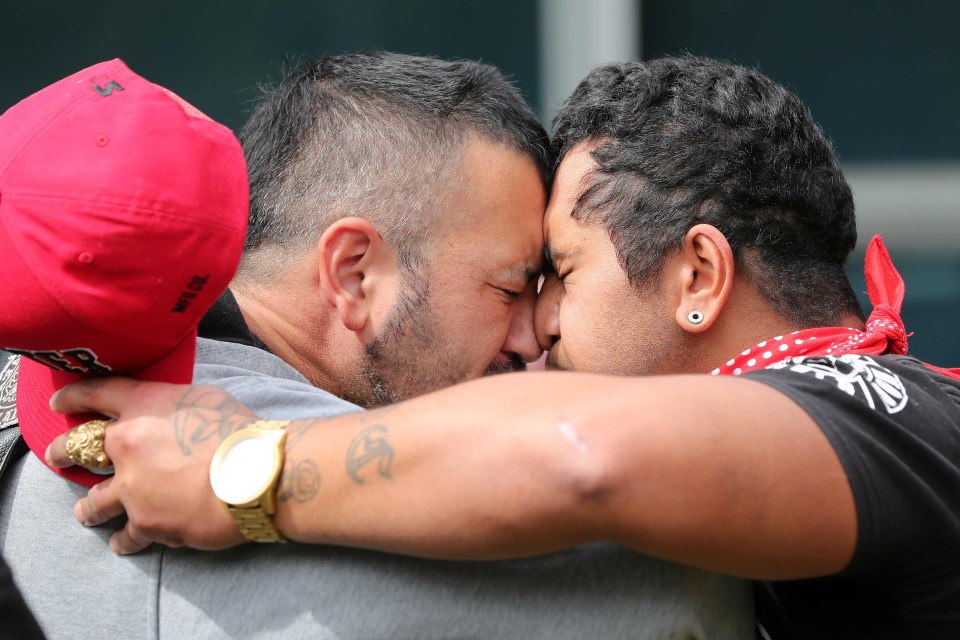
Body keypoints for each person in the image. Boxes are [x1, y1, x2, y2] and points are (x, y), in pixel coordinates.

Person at [46, 55, 960, 639]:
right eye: (521, 283)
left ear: (698, 278)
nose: (541, 329)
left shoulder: (893, 415)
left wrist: (241, 469)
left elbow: (582, 454)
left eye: (559, 272)